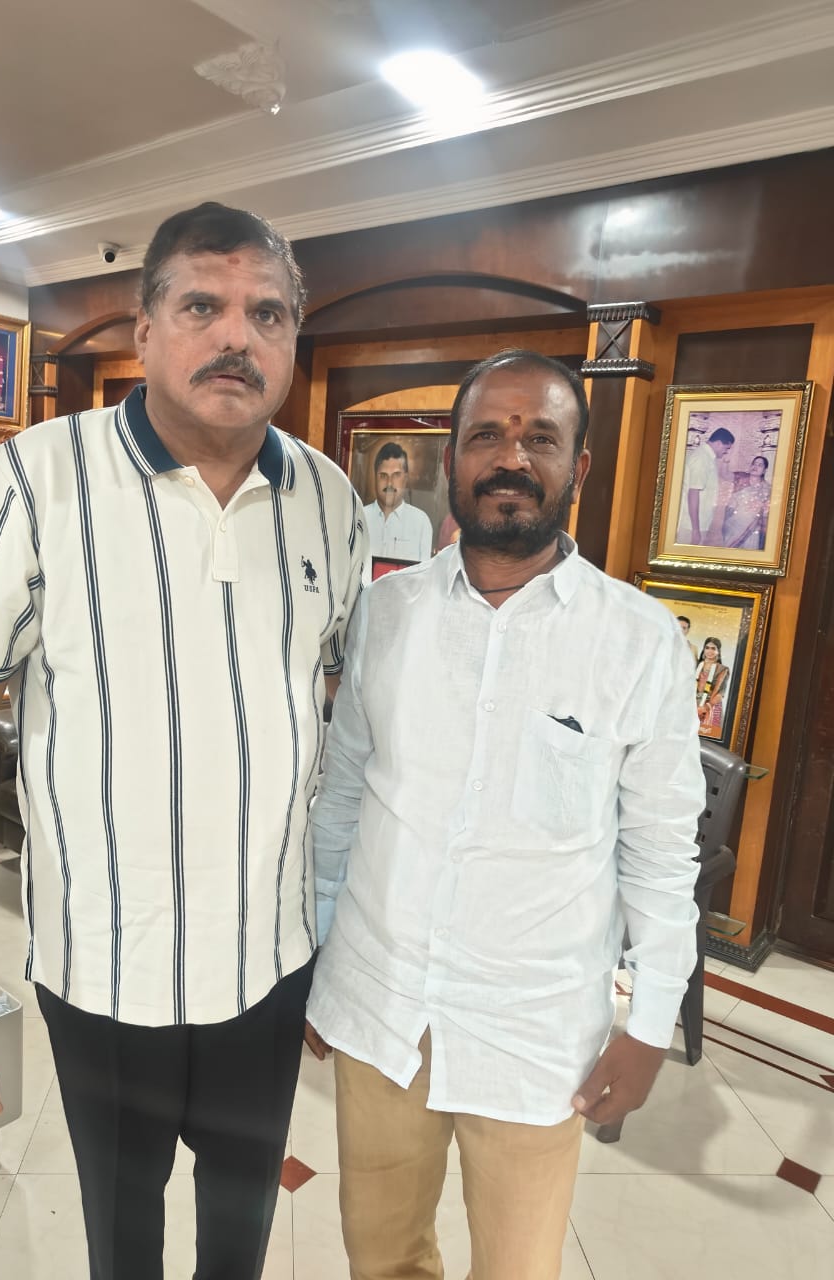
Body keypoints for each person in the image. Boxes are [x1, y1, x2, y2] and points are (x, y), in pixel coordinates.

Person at [0, 202, 367, 1280]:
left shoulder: (331, 504)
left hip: (268, 967)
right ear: (145, 330)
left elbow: (336, 728)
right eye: (202, 305)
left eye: (268, 314)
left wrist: (344, 936)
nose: (237, 336)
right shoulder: (40, 478)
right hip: (103, 971)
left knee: (240, 1240)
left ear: (294, 341)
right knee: (125, 1245)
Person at [305, 349, 705, 1280]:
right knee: (382, 1257)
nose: (512, 458)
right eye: (487, 434)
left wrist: (650, 1025)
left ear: (579, 467)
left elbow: (659, 853)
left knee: (518, 1267)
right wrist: (320, 958)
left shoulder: (638, 640)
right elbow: (343, 797)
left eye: (541, 438)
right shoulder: (386, 614)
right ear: (453, 459)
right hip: (380, 1006)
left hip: (532, 1032)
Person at [363, 441, 434, 561]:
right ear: (374, 477)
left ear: (405, 479)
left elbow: (424, 572)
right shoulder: (360, 518)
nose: (389, 483)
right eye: (383, 475)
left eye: (396, 475)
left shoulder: (421, 523)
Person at [676, 426, 734, 546]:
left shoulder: (708, 457)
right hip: (690, 526)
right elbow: (693, 493)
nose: (726, 452)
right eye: (726, 448)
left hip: (699, 523)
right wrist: (695, 530)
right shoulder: (701, 459)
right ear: (718, 443)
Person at [722, 454, 771, 550]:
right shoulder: (741, 478)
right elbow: (725, 475)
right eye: (754, 464)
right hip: (732, 524)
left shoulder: (767, 488)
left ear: (764, 471)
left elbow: (766, 512)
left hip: (752, 528)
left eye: (760, 465)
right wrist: (725, 463)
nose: (755, 466)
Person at [696, 637, 730, 737]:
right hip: (693, 705)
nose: (709, 651)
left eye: (713, 648)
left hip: (711, 707)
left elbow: (720, 694)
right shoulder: (696, 666)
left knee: (708, 738)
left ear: (718, 651)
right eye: (707, 648)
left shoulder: (723, 669)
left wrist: (705, 708)